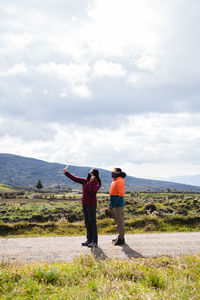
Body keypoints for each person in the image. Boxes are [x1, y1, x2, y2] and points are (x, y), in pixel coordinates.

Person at [64, 166, 101, 248]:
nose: (89, 174)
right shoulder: (84, 181)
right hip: (85, 204)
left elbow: (93, 192)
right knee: (87, 222)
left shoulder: (97, 183)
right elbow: (75, 178)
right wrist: (66, 173)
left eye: (91, 173)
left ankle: (94, 241)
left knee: (92, 222)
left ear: (94, 175)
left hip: (92, 205)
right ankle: (89, 240)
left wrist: (91, 182)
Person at [109, 168, 126, 245]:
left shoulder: (120, 181)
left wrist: (115, 204)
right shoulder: (115, 181)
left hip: (118, 205)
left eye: (114, 172)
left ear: (118, 172)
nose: (112, 173)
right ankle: (120, 237)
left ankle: (121, 239)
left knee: (120, 221)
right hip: (114, 205)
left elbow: (121, 194)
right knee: (118, 221)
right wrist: (111, 205)